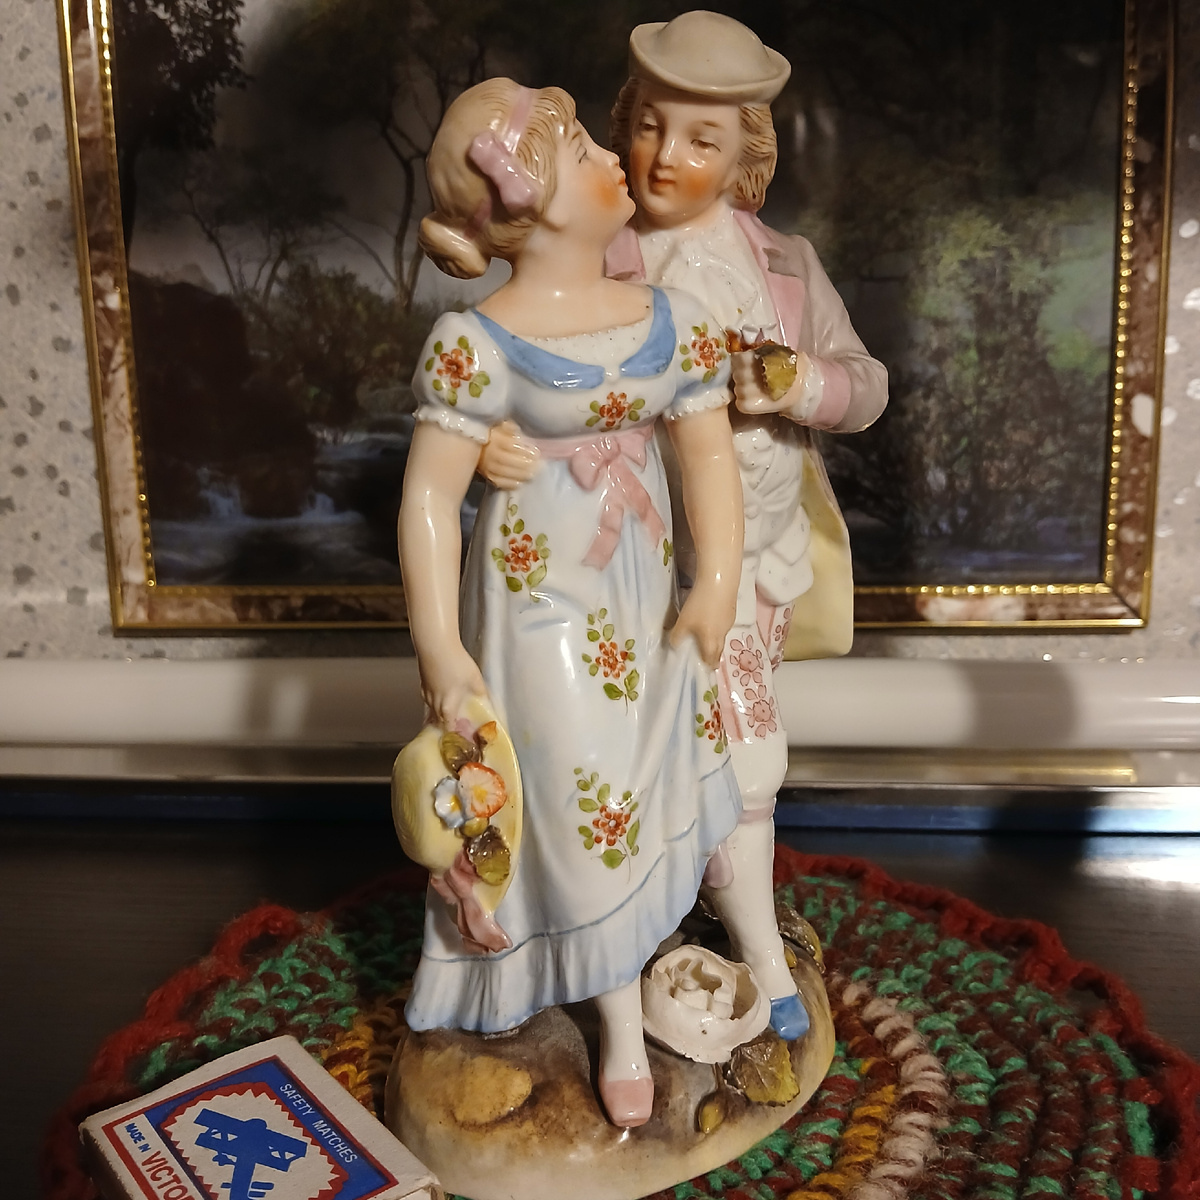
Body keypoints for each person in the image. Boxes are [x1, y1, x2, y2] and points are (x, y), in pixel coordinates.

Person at [479, 12, 887, 1043]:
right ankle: (642, 946)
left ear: (746, 156)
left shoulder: (785, 264)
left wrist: (801, 383)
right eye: (650, 126)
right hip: (626, 569)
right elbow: (511, 375)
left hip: (755, 560)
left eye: (702, 140)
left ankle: (742, 941)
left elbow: (867, 385)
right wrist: (497, 442)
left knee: (742, 761)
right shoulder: (587, 258)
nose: (665, 156)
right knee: (653, 761)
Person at [397, 77, 745, 1129]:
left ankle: (652, 971)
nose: (615, 157)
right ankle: (620, 1020)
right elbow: (427, 499)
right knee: (579, 799)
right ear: (537, 201)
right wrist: (442, 651)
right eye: (588, 148)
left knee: (640, 796)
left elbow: (708, 460)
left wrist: (716, 584)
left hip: (643, 601)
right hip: (538, 603)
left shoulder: (673, 323)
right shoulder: (476, 346)